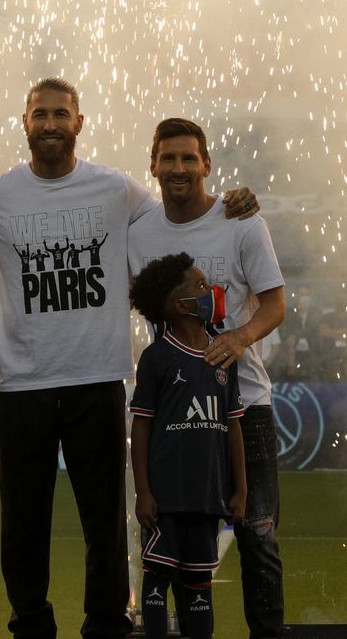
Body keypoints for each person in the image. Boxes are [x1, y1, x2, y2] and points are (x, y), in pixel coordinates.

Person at [0, 82, 256, 638]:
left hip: (96, 378)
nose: (50, 123)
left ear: (79, 123)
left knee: (103, 520)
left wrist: (231, 201)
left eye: (61, 115)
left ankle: (105, 623)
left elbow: (182, 213)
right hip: (22, 382)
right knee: (23, 523)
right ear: (24, 122)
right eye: (40, 114)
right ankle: (32, 622)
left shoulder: (115, 189)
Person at [128, 117, 286, 638]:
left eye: (188, 159)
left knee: (258, 533)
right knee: (166, 531)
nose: (178, 169)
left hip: (244, 406)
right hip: (172, 413)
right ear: (152, 165)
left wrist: (240, 338)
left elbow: (276, 303)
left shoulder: (241, 219)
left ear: (207, 165)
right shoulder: (139, 231)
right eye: (168, 159)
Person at [128, 253, 247, 639]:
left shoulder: (223, 355)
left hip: (207, 497)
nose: (212, 291)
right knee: (158, 575)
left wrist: (240, 487)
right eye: (201, 287)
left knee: (199, 588)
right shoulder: (157, 357)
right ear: (182, 306)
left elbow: (233, 427)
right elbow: (142, 428)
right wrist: (143, 492)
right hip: (166, 499)